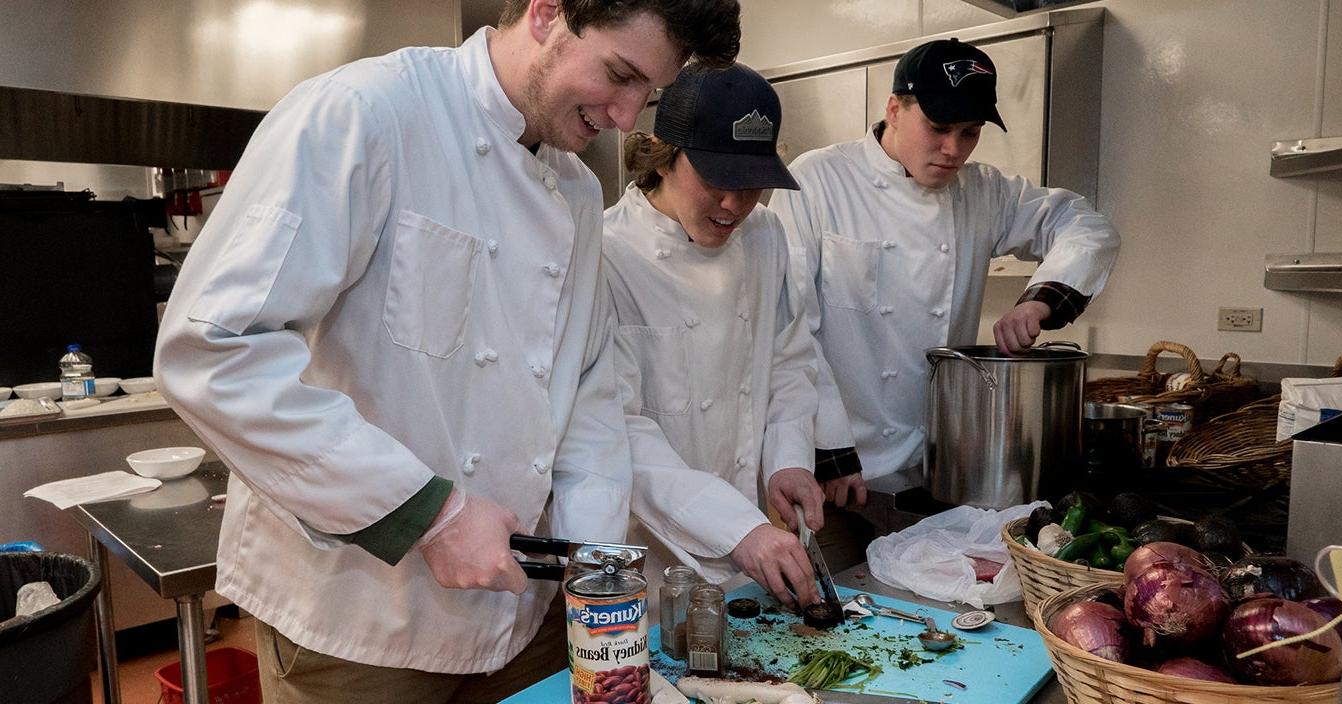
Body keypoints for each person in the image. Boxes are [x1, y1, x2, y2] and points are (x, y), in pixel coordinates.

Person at [152, 0, 740, 701]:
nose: (625, 115)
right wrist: (431, 513)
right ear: (548, 12)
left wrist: (594, 567)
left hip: (521, 616)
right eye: (618, 74)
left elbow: (586, 389)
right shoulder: (363, 114)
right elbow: (213, 350)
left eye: (648, 92)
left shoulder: (579, 192)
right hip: (364, 623)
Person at [768, 38, 1119, 512]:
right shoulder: (819, 179)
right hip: (834, 465)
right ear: (895, 109)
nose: (953, 149)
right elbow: (791, 325)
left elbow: (1086, 225)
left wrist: (1041, 299)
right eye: (938, 127)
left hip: (940, 464)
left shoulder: (985, 192)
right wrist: (827, 448)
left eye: (970, 132)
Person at [603, 62, 825, 608]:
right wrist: (737, 529)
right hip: (647, 562)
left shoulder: (766, 233)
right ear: (664, 156)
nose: (735, 205)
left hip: (750, 547)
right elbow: (617, 429)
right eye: (717, 181)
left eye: (752, 185)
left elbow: (788, 357)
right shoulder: (607, 254)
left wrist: (789, 458)